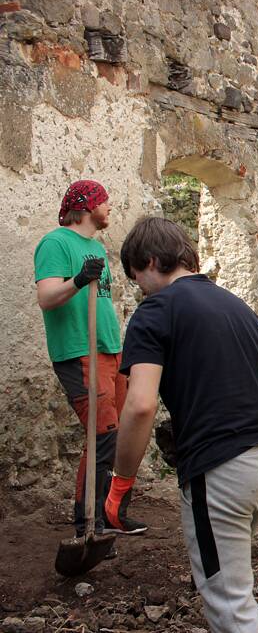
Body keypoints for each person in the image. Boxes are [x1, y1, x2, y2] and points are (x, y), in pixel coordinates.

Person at [106, 217, 258, 633]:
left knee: (230, 605)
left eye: (138, 278)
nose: (140, 289)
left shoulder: (155, 312)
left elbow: (139, 405)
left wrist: (121, 481)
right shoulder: (238, 306)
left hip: (221, 469)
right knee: (223, 575)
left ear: (151, 261)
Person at [33, 180, 147, 538]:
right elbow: (47, 297)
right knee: (103, 435)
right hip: (79, 352)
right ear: (85, 206)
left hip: (110, 350)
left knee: (124, 434)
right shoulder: (55, 243)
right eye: (104, 200)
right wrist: (79, 280)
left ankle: (112, 514)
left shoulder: (94, 246)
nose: (110, 206)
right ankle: (88, 523)